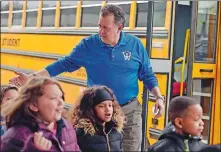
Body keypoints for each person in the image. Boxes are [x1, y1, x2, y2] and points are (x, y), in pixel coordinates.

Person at [9, 4, 164, 151]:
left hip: (129, 112)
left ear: (120, 28)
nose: (101, 31)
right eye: (99, 26)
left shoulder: (135, 45)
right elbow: (63, 64)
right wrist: (32, 78)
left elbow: (147, 74)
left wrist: (158, 97)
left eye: (106, 28)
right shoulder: (88, 45)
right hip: (96, 114)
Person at [1, 77, 80, 152]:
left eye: (61, 97)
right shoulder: (15, 136)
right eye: (53, 98)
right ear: (34, 105)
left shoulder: (66, 126)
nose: (61, 102)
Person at [72, 85, 125, 152]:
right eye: (102, 106)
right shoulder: (82, 134)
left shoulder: (116, 131)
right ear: (91, 110)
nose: (108, 109)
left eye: (110, 105)